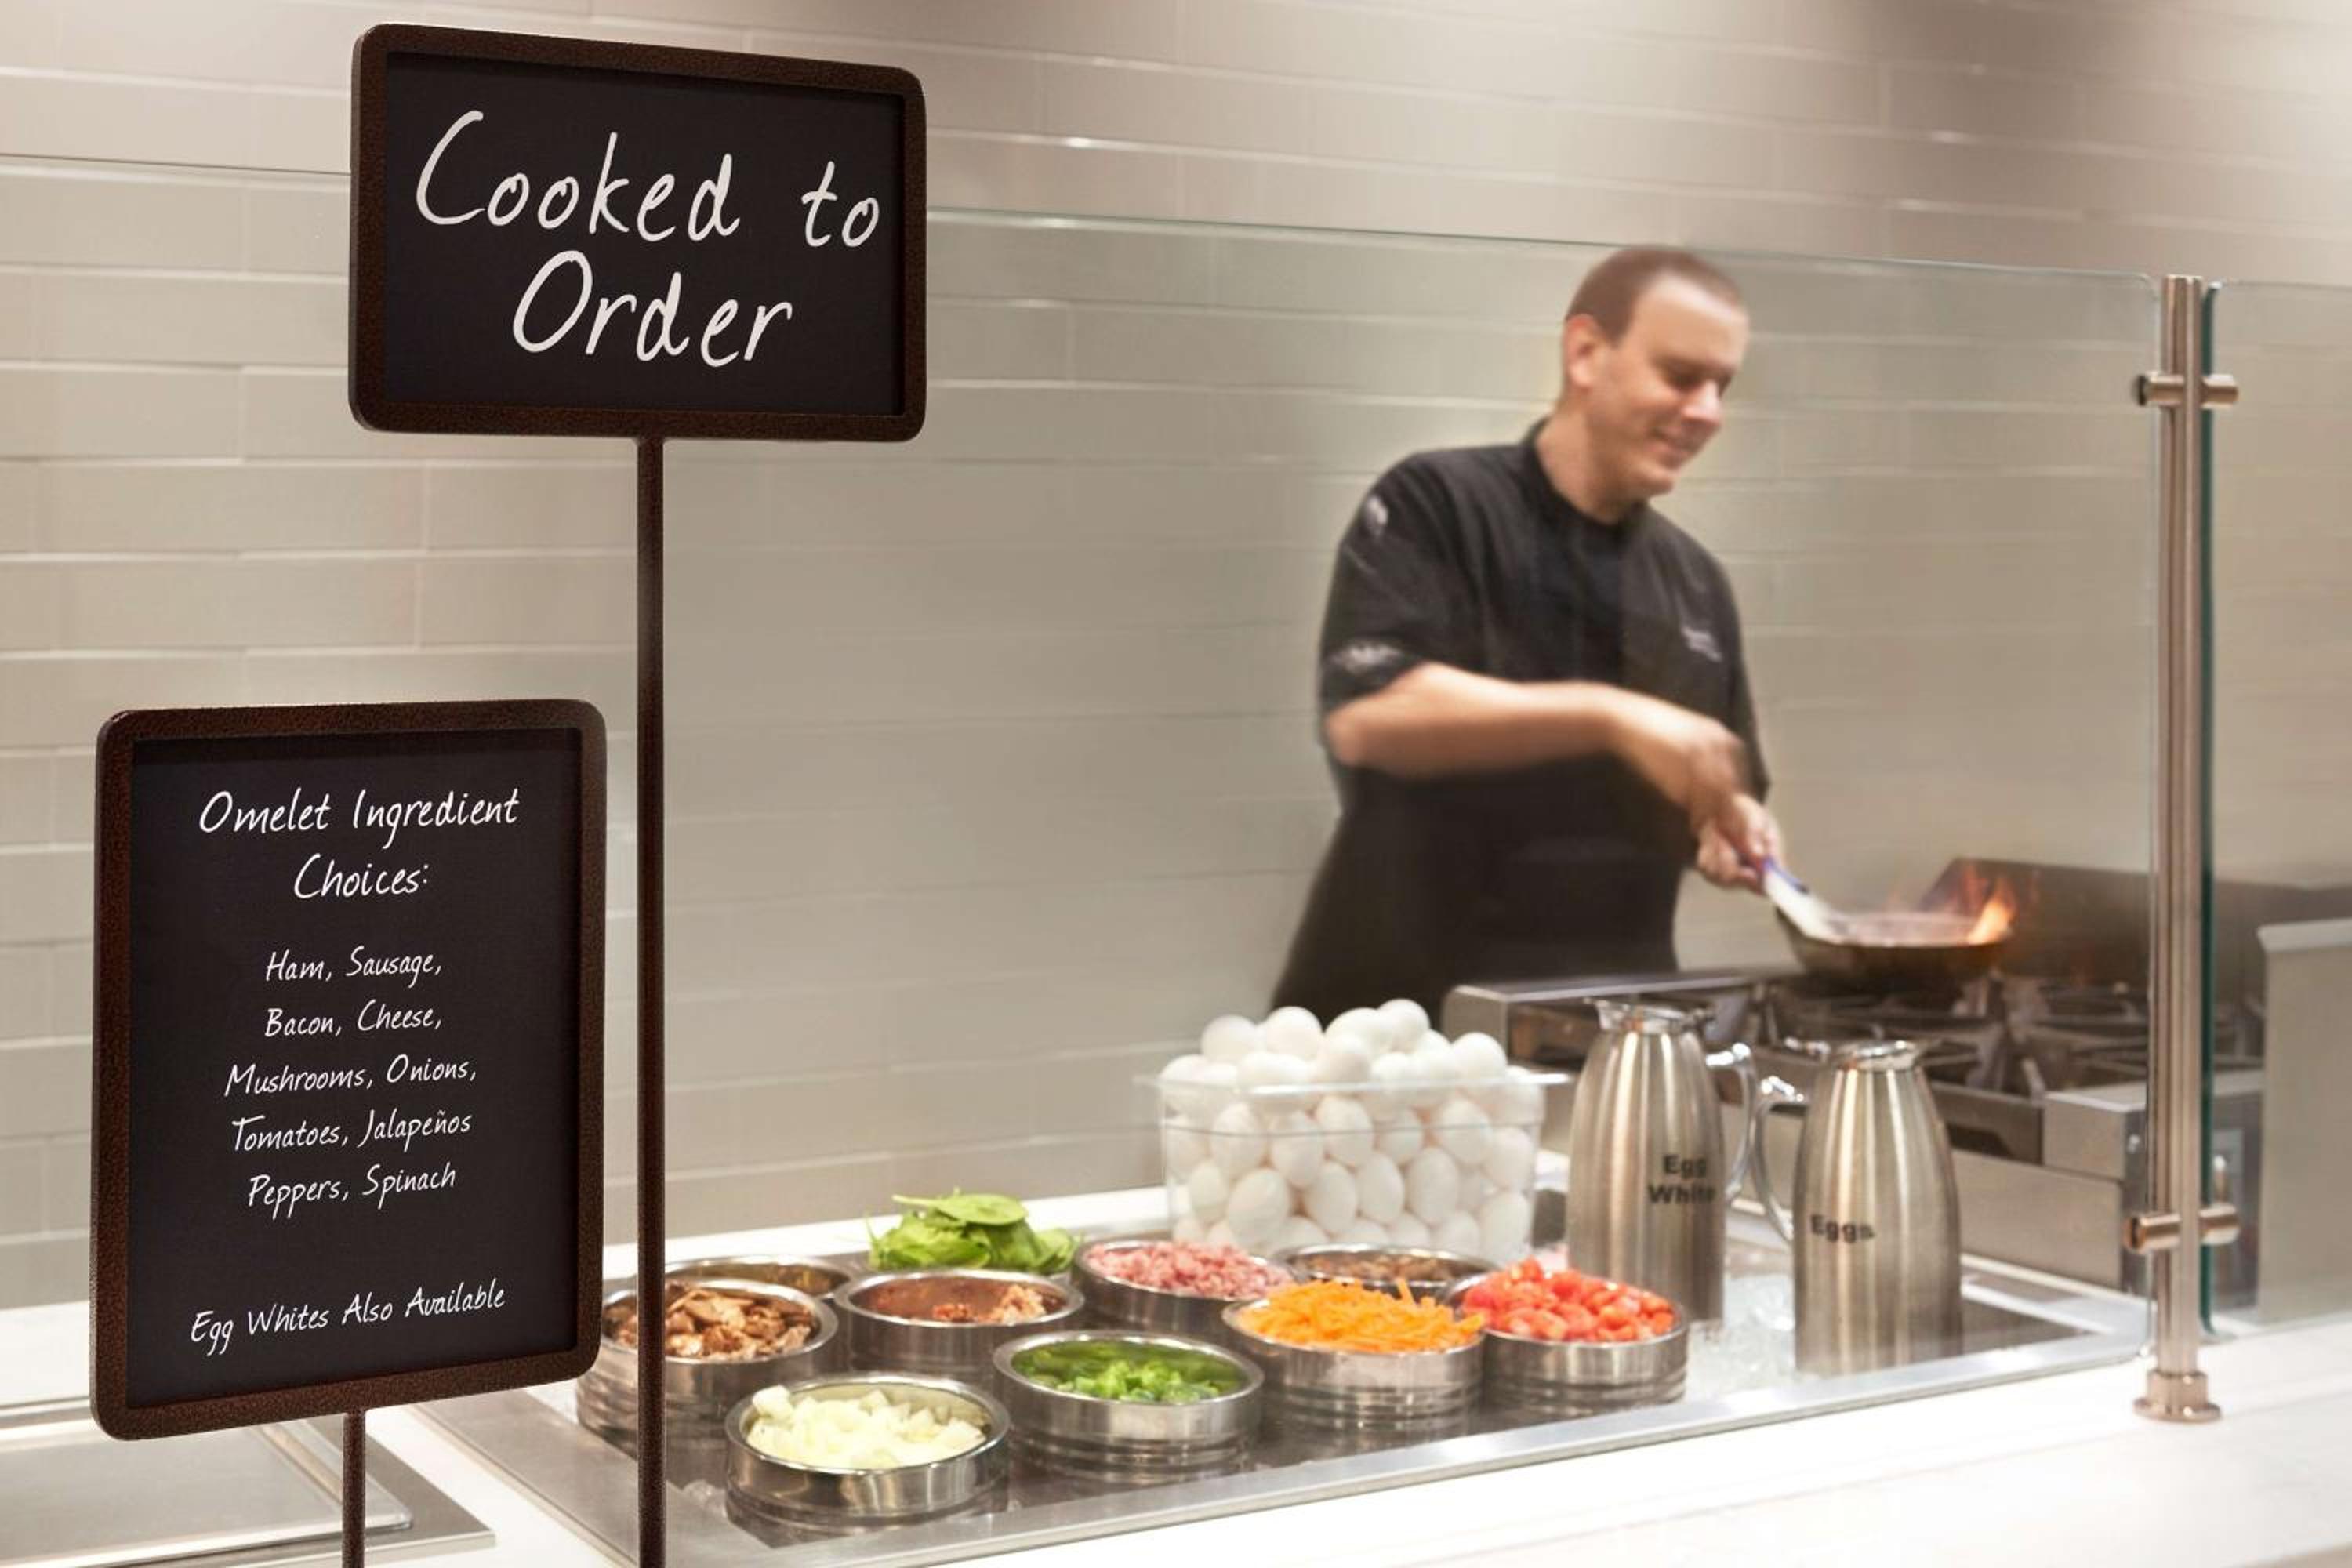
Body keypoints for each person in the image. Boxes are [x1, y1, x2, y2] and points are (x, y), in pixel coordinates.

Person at [1271, 247, 1781, 1021]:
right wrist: (1609, 716)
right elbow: (1367, 716)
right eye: (1681, 376)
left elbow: (1716, 791)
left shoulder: (1695, 582)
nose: (1708, 411)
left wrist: (1726, 824)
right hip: (1400, 1029)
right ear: (1586, 353)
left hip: (1607, 1032)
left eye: (1722, 386)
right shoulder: (1437, 502)